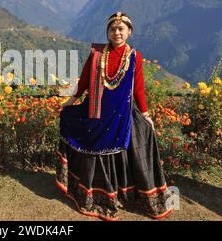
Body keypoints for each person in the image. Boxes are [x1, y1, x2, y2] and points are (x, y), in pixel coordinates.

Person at [56, 11, 172, 221]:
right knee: (73, 124)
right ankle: (94, 192)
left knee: (139, 137)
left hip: (121, 114)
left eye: (121, 29)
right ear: (107, 32)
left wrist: (145, 114)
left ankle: (120, 193)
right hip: (96, 112)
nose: (116, 32)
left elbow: (138, 89)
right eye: (112, 29)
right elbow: (84, 80)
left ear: (129, 32)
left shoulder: (134, 56)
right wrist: (72, 100)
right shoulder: (97, 54)